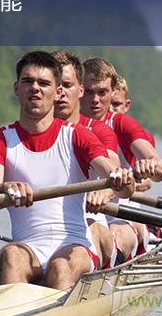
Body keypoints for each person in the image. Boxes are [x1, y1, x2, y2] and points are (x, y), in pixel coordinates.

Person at [0, 51, 134, 290]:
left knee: (60, 267)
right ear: (16, 88)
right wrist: (5, 187)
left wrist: (121, 178)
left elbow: (117, 180)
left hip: (75, 246)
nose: (35, 88)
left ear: (57, 91)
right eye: (28, 81)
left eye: (43, 83)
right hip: (27, 248)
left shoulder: (77, 136)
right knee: (10, 254)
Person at [80, 57, 162, 261]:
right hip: (77, 217)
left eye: (102, 93)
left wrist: (151, 166)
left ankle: (110, 264)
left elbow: (161, 169)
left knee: (114, 233)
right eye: (89, 92)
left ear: (112, 93)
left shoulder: (122, 124)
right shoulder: (64, 126)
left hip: (121, 216)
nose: (95, 100)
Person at [52, 50, 119, 269]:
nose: (60, 93)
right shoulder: (25, 135)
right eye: (56, 85)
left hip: (91, 221)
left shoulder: (97, 131)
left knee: (92, 228)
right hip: (46, 229)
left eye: (66, 86)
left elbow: (113, 170)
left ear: (78, 90)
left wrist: (103, 192)